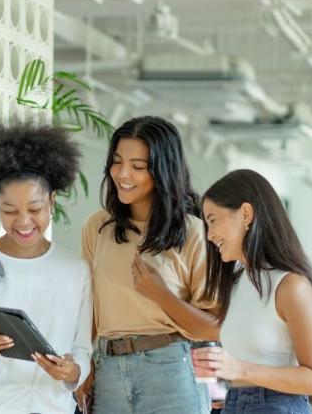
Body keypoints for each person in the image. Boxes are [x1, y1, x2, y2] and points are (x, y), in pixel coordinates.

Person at [0, 119, 93, 414]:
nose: (23, 222)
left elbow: (82, 353)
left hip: (55, 408)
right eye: (10, 211)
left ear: (52, 200)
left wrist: (70, 373)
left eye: (35, 208)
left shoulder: (76, 270)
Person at [76, 116, 218, 414]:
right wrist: (84, 362)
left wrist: (160, 294)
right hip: (108, 372)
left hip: (170, 373)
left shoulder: (195, 232)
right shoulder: (97, 227)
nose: (123, 174)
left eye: (138, 167)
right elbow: (88, 306)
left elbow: (213, 328)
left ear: (162, 171)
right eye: (117, 162)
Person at [192, 169, 312, 413]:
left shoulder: (291, 286)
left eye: (213, 220)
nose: (210, 234)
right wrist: (232, 385)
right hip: (233, 403)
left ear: (246, 214)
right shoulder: (236, 285)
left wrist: (239, 370)